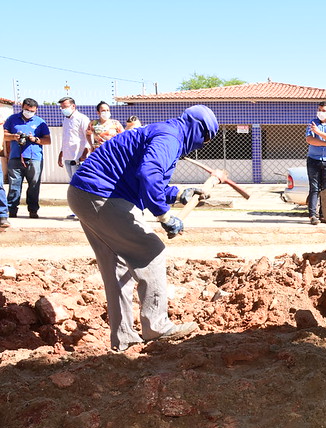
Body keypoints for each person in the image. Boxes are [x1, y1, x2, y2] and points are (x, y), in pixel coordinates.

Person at [67, 105, 219, 353]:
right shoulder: (171, 137)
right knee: (152, 250)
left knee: (115, 267)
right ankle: (156, 325)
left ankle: (124, 339)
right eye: (205, 137)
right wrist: (164, 215)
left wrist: (179, 193)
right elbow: (148, 175)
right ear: (196, 127)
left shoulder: (166, 132)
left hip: (84, 193)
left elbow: (143, 177)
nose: (202, 144)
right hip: (101, 194)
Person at [3, 98, 51, 219]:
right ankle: (11, 210)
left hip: (34, 158)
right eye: (26, 109)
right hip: (15, 157)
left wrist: (35, 139)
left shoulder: (40, 122)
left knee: (34, 185)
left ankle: (33, 210)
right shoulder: (12, 119)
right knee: (14, 185)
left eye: (31, 110)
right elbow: (3, 135)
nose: (28, 112)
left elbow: (48, 140)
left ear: (36, 110)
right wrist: (14, 136)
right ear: (22, 107)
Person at [57, 97, 91, 180]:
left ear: (73, 106)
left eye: (65, 107)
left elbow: (88, 137)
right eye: (62, 107)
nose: (63, 109)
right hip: (67, 157)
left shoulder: (82, 118)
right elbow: (66, 138)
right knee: (72, 182)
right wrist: (61, 154)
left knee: (79, 182)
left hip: (78, 157)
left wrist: (84, 155)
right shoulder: (65, 119)